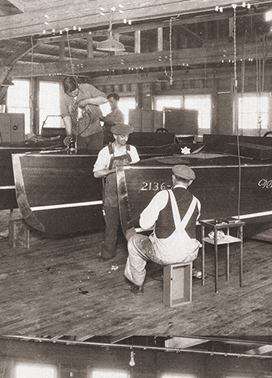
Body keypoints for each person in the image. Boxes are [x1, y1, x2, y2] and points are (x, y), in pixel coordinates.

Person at [124, 163, 201, 294]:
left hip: (166, 254)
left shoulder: (163, 196)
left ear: (173, 178)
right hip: (190, 254)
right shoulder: (196, 202)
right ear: (190, 182)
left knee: (133, 242)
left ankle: (137, 284)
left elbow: (144, 224)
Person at [93, 123, 140, 261]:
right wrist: (114, 170)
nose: (125, 139)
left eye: (127, 136)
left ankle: (135, 255)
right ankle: (108, 254)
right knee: (111, 226)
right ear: (114, 136)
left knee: (130, 226)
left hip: (129, 193)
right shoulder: (105, 152)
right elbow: (96, 173)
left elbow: (138, 169)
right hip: (112, 194)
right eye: (122, 136)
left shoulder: (132, 150)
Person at [60, 75, 108, 153]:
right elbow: (66, 115)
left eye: (75, 92)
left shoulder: (87, 88)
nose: (73, 95)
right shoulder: (63, 96)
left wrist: (87, 101)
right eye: (70, 94)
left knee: (94, 158)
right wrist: (69, 134)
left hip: (95, 131)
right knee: (80, 159)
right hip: (78, 134)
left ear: (77, 86)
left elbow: (104, 99)